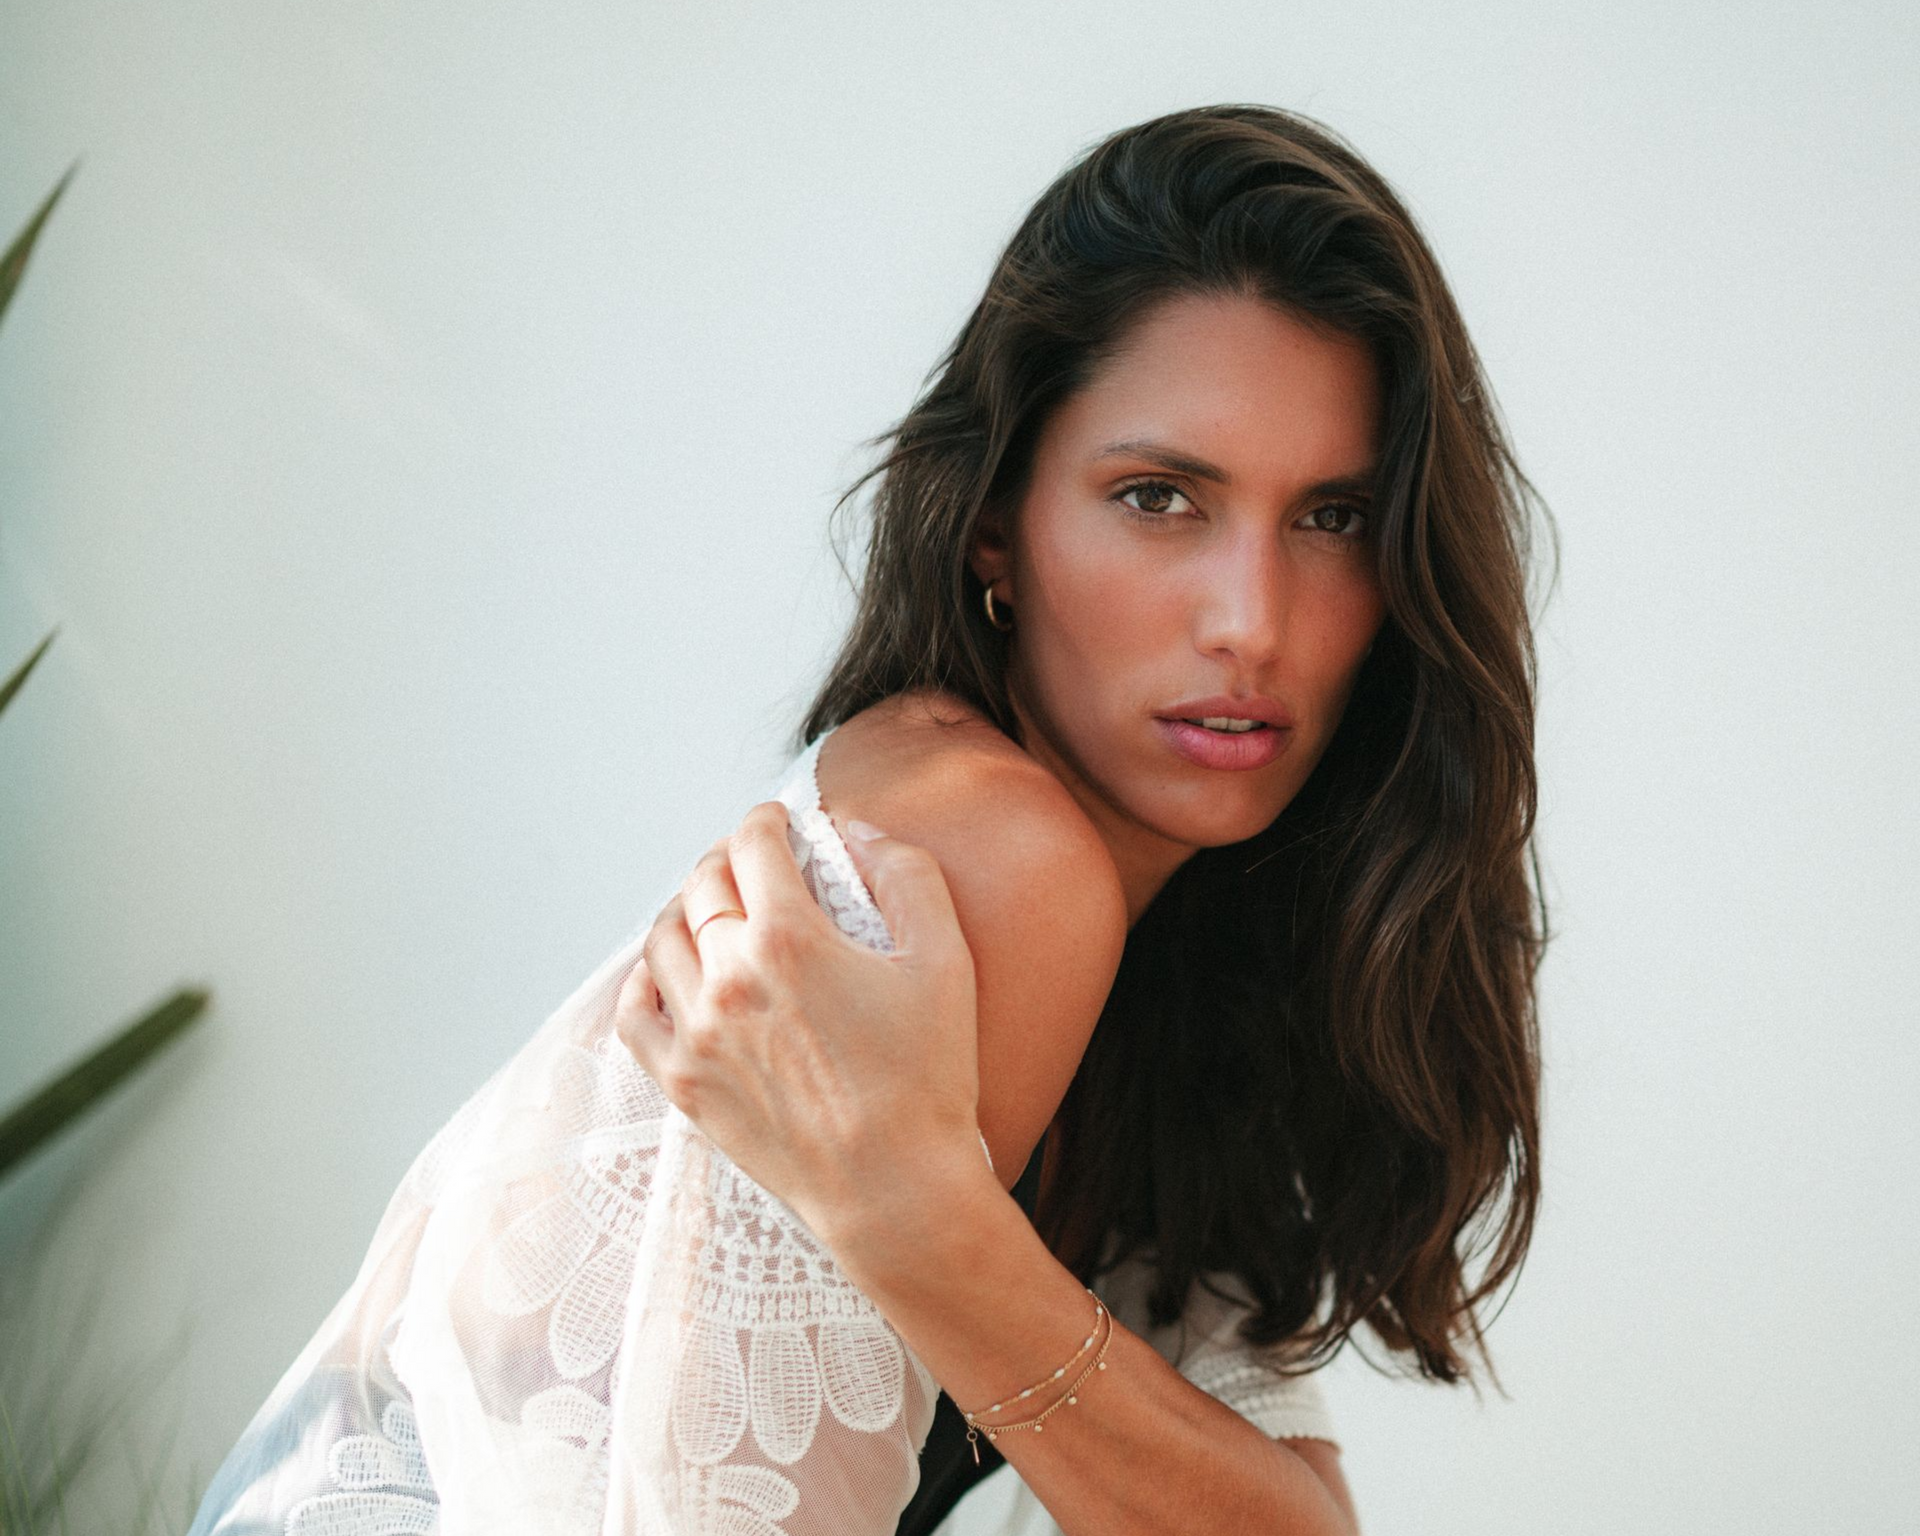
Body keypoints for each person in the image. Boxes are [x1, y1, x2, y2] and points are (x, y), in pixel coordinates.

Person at [186, 102, 1548, 1536]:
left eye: (1333, 519)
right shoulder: (986, 860)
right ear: (994, 529)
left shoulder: (1198, 951)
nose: (1250, 622)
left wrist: (924, 1220)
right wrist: (921, 1221)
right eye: (1159, 498)